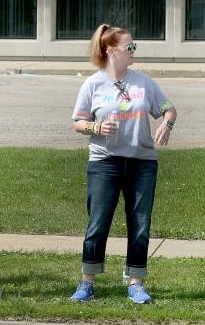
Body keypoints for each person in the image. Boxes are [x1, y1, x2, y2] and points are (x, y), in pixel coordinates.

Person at [69, 24, 177, 304]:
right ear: (110, 50)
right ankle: (86, 283)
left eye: (134, 46)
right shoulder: (93, 83)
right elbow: (77, 122)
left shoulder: (143, 82)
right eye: (129, 47)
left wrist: (167, 123)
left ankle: (136, 283)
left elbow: (169, 108)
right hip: (104, 162)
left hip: (142, 163)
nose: (133, 51)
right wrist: (96, 127)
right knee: (98, 223)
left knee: (140, 224)